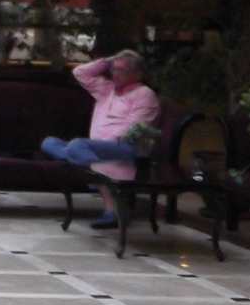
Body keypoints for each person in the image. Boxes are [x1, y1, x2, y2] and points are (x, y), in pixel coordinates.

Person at [40, 51, 161, 230]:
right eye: (114, 69)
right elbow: (79, 72)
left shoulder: (144, 94)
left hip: (127, 147)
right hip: (96, 148)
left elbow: (133, 131)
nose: (115, 74)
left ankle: (108, 204)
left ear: (137, 74)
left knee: (78, 145)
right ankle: (98, 174)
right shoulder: (107, 89)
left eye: (121, 70)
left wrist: (98, 145)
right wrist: (108, 61)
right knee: (48, 142)